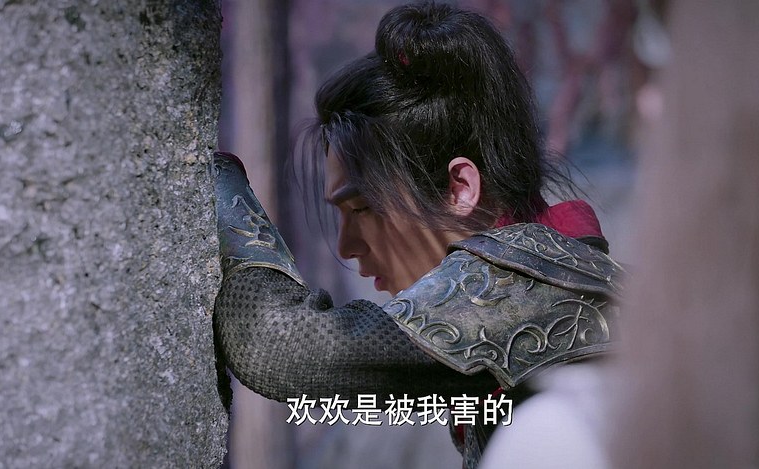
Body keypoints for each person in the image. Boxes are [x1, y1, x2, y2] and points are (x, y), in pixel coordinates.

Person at [212, 2, 623, 468]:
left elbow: (277, 347)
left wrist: (214, 181)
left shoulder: (519, 287)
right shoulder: (567, 272)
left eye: (362, 209)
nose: (347, 246)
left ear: (459, 188)